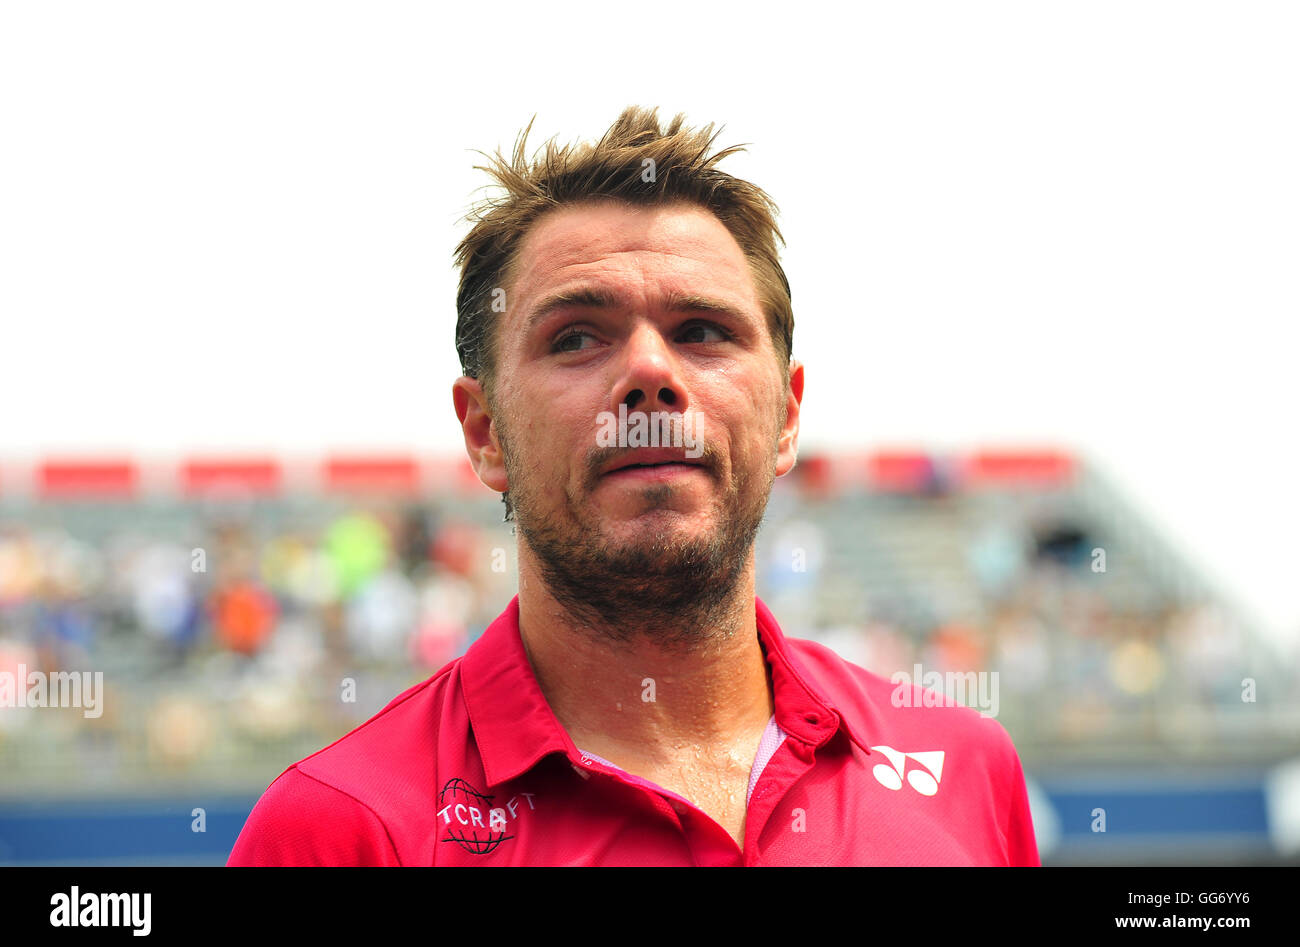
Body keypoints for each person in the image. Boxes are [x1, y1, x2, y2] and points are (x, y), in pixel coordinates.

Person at [227, 106, 1039, 865]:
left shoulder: (966, 767)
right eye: (577, 337)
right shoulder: (341, 827)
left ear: (787, 417)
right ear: (485, 432)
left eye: (702, 332)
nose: (650, 373)